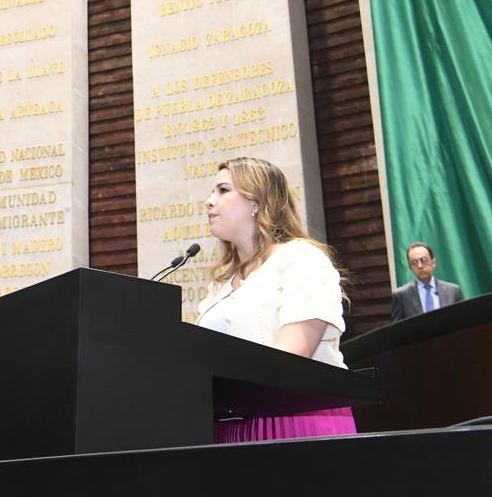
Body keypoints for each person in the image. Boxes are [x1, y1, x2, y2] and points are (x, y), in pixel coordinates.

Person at [194, 156, 355, 442]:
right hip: (227, 428)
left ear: (256, 202)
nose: (209, 201)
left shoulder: (300, 258)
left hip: (294, 421)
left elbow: (291, 360)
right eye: (212, 192)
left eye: (223, 190)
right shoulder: (220, 287)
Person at [391, 241, 464, 321]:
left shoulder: (453, 291)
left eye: (423, 260)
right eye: (414, 263)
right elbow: (397, 327)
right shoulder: (402, 295)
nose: (420, 266)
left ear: (433, 262)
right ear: (410, 267)